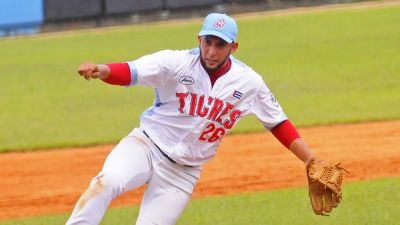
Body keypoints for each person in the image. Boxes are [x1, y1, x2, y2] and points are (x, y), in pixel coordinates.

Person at [67, 13, 317, 225]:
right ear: (199, 39)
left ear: (234, 47)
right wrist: (102, 70)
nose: (211, 51)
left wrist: (311, 160)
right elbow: (131, 71)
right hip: (145, 146)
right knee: (107, 182)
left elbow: (277, 122)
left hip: (182, 173)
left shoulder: (249, 82)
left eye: (220, 45)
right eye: (208, 42)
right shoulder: (176, 62)